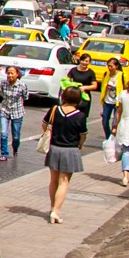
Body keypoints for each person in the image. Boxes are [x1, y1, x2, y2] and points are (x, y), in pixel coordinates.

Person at [41, 84, 91, 224]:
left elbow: (44, 124)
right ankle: (56, 212)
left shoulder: (55, 110)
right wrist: (80, 144)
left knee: (53, 181)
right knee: (64, 182)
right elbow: (83, 134)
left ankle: (52, 207)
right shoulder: (80, 115)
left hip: (54, 148)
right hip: (70, 150)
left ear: (63, 97)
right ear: (78, 99)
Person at [0, 65, 28, 161]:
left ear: (17, 74)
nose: (10, 75)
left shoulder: (22, 85)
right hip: (5, 110)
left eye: (12, 73)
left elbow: (26, 97)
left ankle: (15, 148)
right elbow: (2, 94)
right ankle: (4, 154)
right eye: (8, 73)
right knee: (3, 133)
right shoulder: (3, 84)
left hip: (17, 112)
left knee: (16, 136)